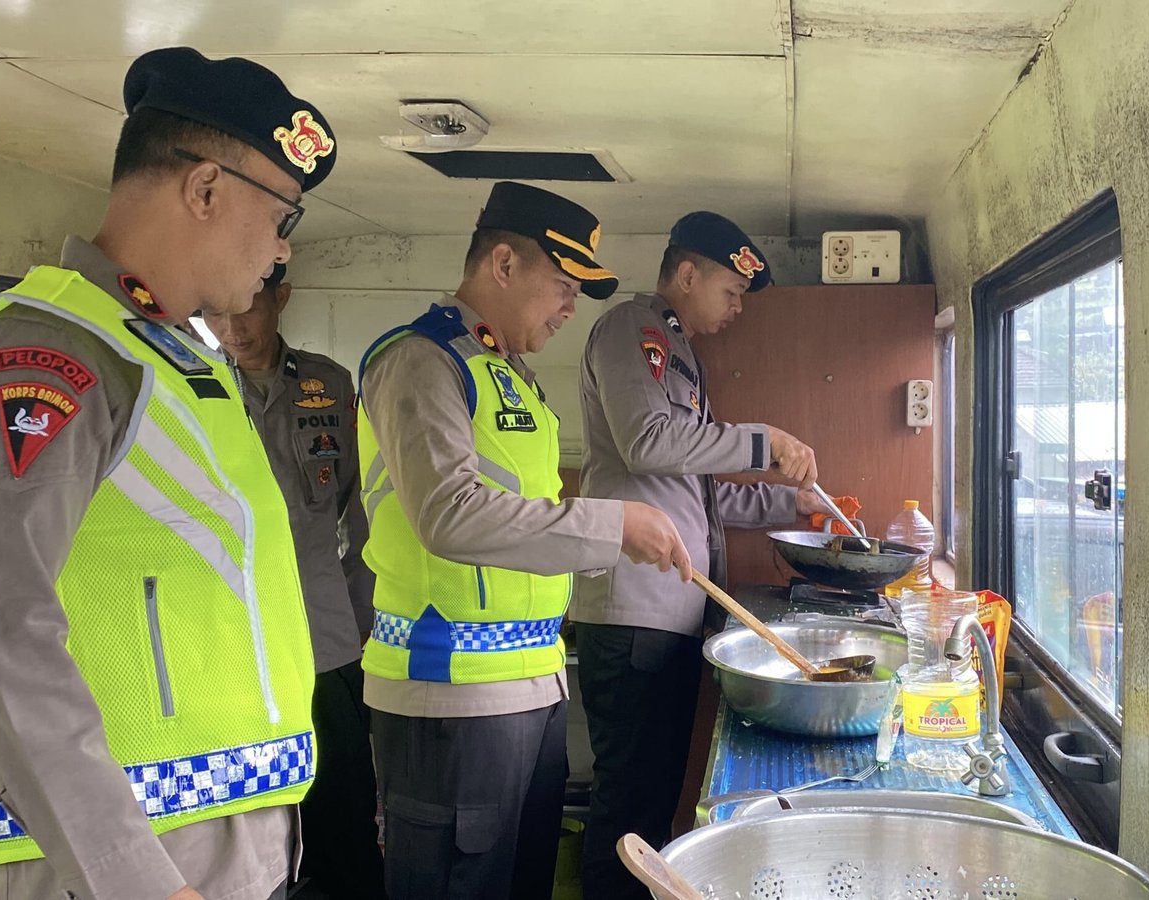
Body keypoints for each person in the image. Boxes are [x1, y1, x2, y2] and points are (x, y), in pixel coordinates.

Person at [0, 46, 337, 900]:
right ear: (206, 189)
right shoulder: (48, 354)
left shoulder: (175, 359)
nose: (283, 252)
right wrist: (127, 874)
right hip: (118, 859)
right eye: (282, 216)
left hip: (213, 839)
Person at [356, 180, 691, 899]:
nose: (572, 306)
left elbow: (523, 517)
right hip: (448, 690)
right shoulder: (421, 360)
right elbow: (449, 513)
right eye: (563, 284)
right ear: (502, 265)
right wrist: (613, 524)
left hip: (528, 682)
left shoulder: (509, 375)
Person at [572, 211, 824, 898]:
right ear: (686, 274)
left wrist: (792, 505)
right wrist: (762, 440)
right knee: (628, 808)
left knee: (651, 805)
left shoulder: (681, 360)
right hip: (632, 618)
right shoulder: (634, 330)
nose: (737, 310)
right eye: (730, 292)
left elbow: (703, 500)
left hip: (670, 616)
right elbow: (646, 443)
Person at [200, 263, 385, 897]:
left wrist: (366, 617)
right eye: (215, 313)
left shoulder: (327, 386)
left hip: (324, 634)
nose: (231, 328)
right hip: (228, 641)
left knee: (344, 806)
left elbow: (362, 515)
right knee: (257, 820)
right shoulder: (184, 383)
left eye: (247, 309)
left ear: (282, 297)